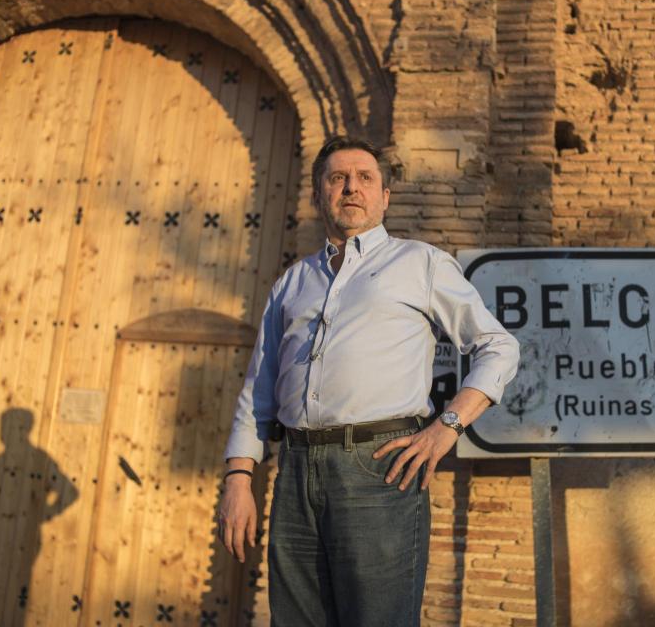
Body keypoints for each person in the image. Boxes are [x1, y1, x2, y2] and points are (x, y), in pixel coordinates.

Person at [218, 135, 519, 627]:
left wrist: (447, 426)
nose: (351, 188)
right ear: (318, 195)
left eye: (364, 178)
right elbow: (258, 387)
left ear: (385, 196)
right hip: (294, 471)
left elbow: (499, 346)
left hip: (379, 469)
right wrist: (238, 478)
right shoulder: (292, 282)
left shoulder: (420, 263)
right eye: (337, 178)